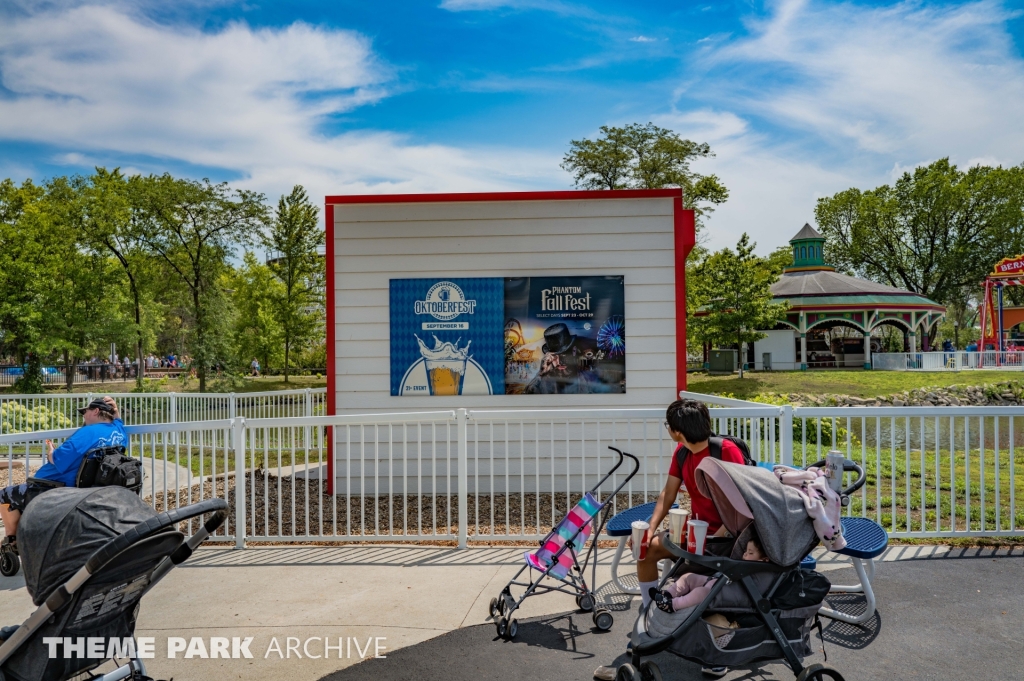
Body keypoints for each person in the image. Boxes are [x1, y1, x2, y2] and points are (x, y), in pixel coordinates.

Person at [632, 399, 746, 679]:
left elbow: (744, 500)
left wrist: (720, 536)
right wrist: (651, 527)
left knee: (698, 584)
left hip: (727, 539)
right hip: (696, 535)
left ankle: (717, 645)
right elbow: (667, 495)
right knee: (647, 551)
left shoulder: (725, 451)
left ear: (677, 431)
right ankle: (652, 615)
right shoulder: (682, 453)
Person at [0, 397, 125, 554]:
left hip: (53, 489)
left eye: (85, 412)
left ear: (96, 411)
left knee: (4, 495)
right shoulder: (118, 432)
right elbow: (119, 422)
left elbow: (58, 460)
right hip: (90, 489)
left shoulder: (86, 433)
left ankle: (12, 545)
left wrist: (51, 450)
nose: (84, 416)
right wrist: (116, 412)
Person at [652, 536, 770, 614]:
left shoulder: (759, 574)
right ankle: (668, 593)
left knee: (700, 592)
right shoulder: (744, 564)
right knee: (688, 577)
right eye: (745, 551)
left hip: (720, 593)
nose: (744, 554)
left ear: (763, 561)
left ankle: (672, 605)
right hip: (715, 581)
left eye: (750, 553)